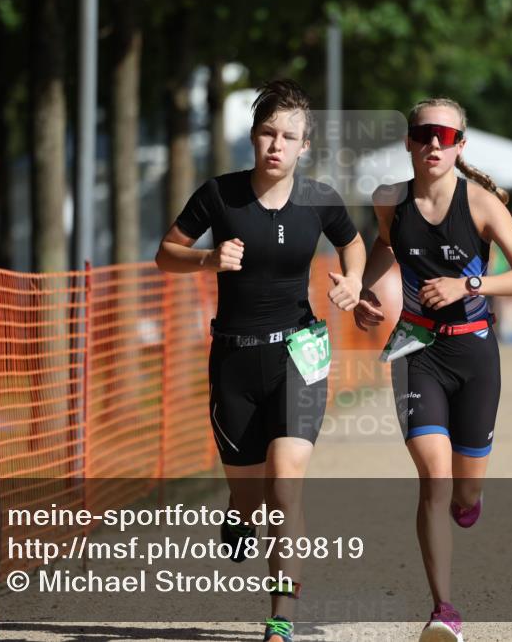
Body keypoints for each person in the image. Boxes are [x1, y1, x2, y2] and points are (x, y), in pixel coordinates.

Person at [155, 79, 365, 642]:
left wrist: (354, 280)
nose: (277, 144)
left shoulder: (320, 199)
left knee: (286, 485)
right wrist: (207, 260)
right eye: (269, 132)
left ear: (304, 147)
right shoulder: (219, 195)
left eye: (289, 135)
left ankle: (281, 616)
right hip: (235, 363)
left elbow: (353, 242)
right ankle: (240, 513)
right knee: (252, 500)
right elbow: (165, 253)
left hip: (300, 353)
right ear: (253, 137)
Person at [353, 98, 512, 642]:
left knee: (464, 492)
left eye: (444, 134)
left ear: (460, 145)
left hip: (475, 354)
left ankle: (470, 500)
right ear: (410, 142)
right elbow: (384, 246)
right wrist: (367, 290)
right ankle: (444, 609)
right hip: (417, 352)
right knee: (433, 478)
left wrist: (470, 284)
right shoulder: (389, 201)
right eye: (423, 133)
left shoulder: (480, 204)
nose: (433, 143)